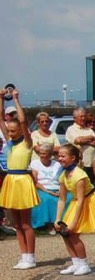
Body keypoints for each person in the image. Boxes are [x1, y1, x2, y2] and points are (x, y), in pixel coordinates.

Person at [55, 144, 95, 276]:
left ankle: (84, 264)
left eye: (63, 156)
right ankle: (76, 263)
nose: (60, 158)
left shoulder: (79, 175)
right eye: (59, 156)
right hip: (76, 201)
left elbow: (81, 200)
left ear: (73, 158)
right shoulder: (63, 174)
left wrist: (74, 223)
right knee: (65, 233)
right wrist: (58, 218)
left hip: (88, 201)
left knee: (73, 233)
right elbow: (62, 199)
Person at [0, 88, 40, 269]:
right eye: (9, 130)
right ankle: (23, 255)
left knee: (25, 222)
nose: (11, 132)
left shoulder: (27, 142)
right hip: (11, 179)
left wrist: (16, 99)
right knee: (16, 223)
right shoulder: (9, 142)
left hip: (23, 180)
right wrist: (1, 99)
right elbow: (1, 118)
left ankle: (30, 256)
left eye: (14, 130)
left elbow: (23, 121)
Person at [31, 144, 68, 235]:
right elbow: (35, 182)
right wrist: (48, 191)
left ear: (50, 154)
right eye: (41, 153)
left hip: (56, 187)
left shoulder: (57, 164)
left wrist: (61, 190)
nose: (42, 156)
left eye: (44, 154)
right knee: (47, 199)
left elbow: (61, 179)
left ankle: (63, 223)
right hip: (42, 188)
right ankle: (49, 225)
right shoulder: (35, 163)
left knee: (69, 198)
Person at [65, 108, 95, 184]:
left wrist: (84, 141)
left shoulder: (89, 129)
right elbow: (78, 140)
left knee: (91, 185)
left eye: (84, 116)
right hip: (80, 164)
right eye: (81, 116)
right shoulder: (71, 129)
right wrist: (90, 138)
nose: (83, 118)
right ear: (75, 118)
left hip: (92, 164)